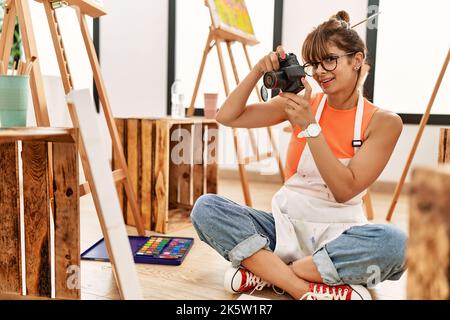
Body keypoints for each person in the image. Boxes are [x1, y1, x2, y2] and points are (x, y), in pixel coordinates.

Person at [190, 11, 407, 300]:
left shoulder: (384, 122)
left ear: (357, 60)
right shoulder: (301, 104)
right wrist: (258, 70)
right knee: (206, 208)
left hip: (340, 237)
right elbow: (227, 116)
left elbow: (344, 190)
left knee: (397, 244)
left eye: (329, 60)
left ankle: (268, 270)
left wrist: (310, 128)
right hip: (285, 229)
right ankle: (305, 287)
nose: (319, 72)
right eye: (314, 64)